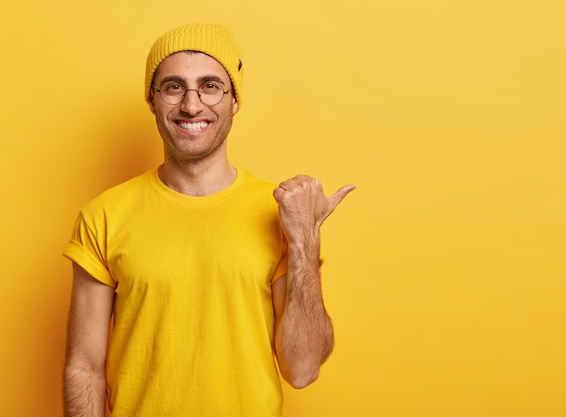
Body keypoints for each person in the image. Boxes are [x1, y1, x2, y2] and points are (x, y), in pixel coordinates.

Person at [62, 23, 355, 417]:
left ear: (234, 101)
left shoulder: (280, 214)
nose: (192, 105)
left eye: (211, 86)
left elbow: (302, 369)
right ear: (152, 100)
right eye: (173, 86)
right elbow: (84, 368)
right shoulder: (103, 216)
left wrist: (305, 238)